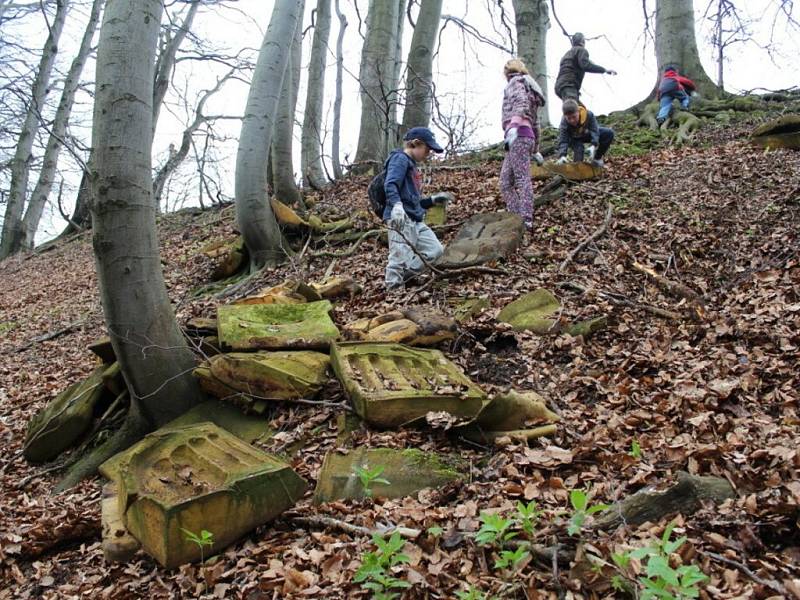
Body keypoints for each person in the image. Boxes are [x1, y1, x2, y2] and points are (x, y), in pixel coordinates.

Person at [383, 126, 449, 291]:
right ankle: (393, 290)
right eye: (427, 149)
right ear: (416, 143)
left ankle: (408, 276)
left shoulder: (411, 165)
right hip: (400, 217)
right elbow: (390, 184)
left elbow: (413, 201)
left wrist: (432, 200)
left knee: (435, 250)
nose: (428, 154)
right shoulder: (400, 159)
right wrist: (396, 206)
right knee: (399, 254)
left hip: (415, 218)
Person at [500, 58, 545, 230]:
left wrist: (513, 126)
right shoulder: (529, 87)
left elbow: (521, 104)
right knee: (505, 182)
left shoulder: (515, 82)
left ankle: (525, 219)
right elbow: (536, 123)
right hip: (524, 137)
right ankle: (516, 215)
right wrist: (536, 149)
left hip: (518, 136)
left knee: (521, 178)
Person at [554, 32, 617, 102]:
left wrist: (605, 70)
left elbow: (587, 62)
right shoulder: (581, 50)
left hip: (560, 86)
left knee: (583, 111)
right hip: (569, 85)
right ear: (582, 41)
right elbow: (585, 65)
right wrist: (604, 70)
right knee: (572, 109)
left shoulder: (568, 54)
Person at [556, 99, 614, 168]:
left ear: (578, 112)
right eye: (569, 118)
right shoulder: (564, 123)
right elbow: (563, 140)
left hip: (585, 134)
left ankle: (597, 158)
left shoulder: (589, 115)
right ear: (565, 116)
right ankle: (577, 167)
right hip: (573, 139)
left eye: (574, 117)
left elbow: (594, 130)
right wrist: (562, 155)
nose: (572, 120)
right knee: (579, 155)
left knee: (608, 133)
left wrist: (593, 145)